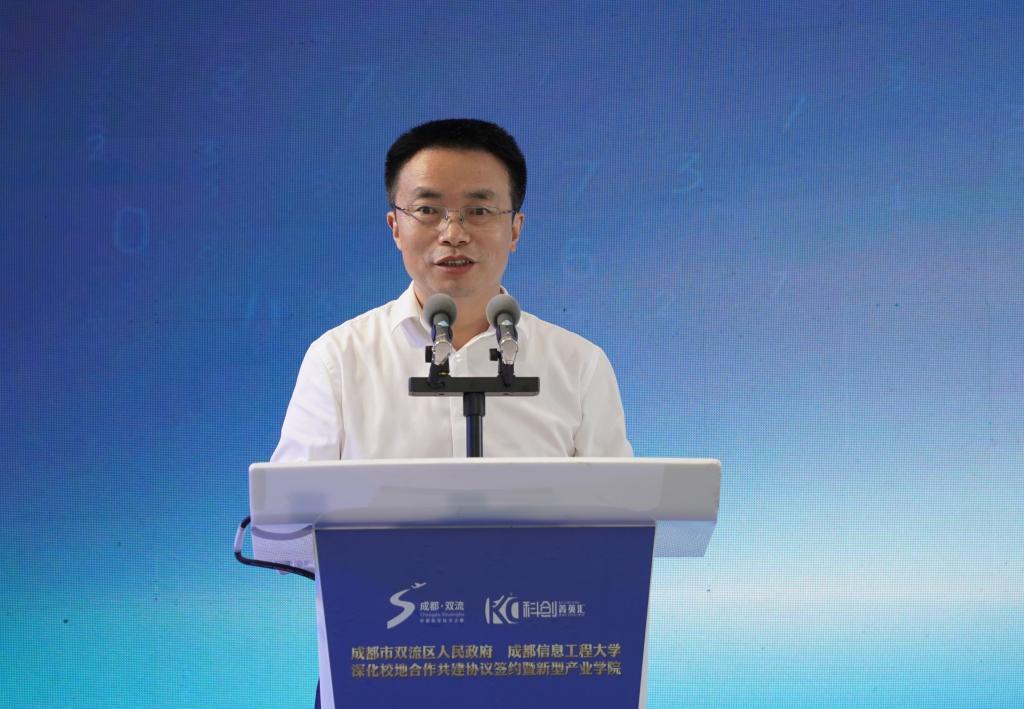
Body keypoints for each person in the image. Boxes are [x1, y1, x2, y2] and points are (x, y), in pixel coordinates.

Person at [271, 118, 631, 461]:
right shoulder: (338, 360)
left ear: (515, 229)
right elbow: (289, 503)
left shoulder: (578, 366)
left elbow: (618, 500)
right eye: (428, 209)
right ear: (396, 228)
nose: (454, 234)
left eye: (479, 211)